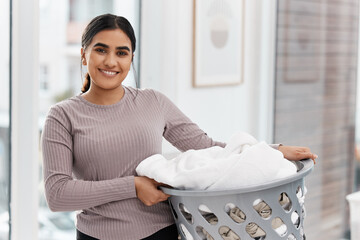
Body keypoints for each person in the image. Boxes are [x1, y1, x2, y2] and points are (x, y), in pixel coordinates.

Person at [41, 14, 318, 240]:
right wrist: (133, 186)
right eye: (101, 50)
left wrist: (272, 151)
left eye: (121, 53)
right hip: (96, 237)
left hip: (162, 233)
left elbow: (207, 148)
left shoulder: (153, 102)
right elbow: (58, 194)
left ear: (131, 59)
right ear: (83, 55)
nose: (111, 61)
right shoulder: (62, 116)